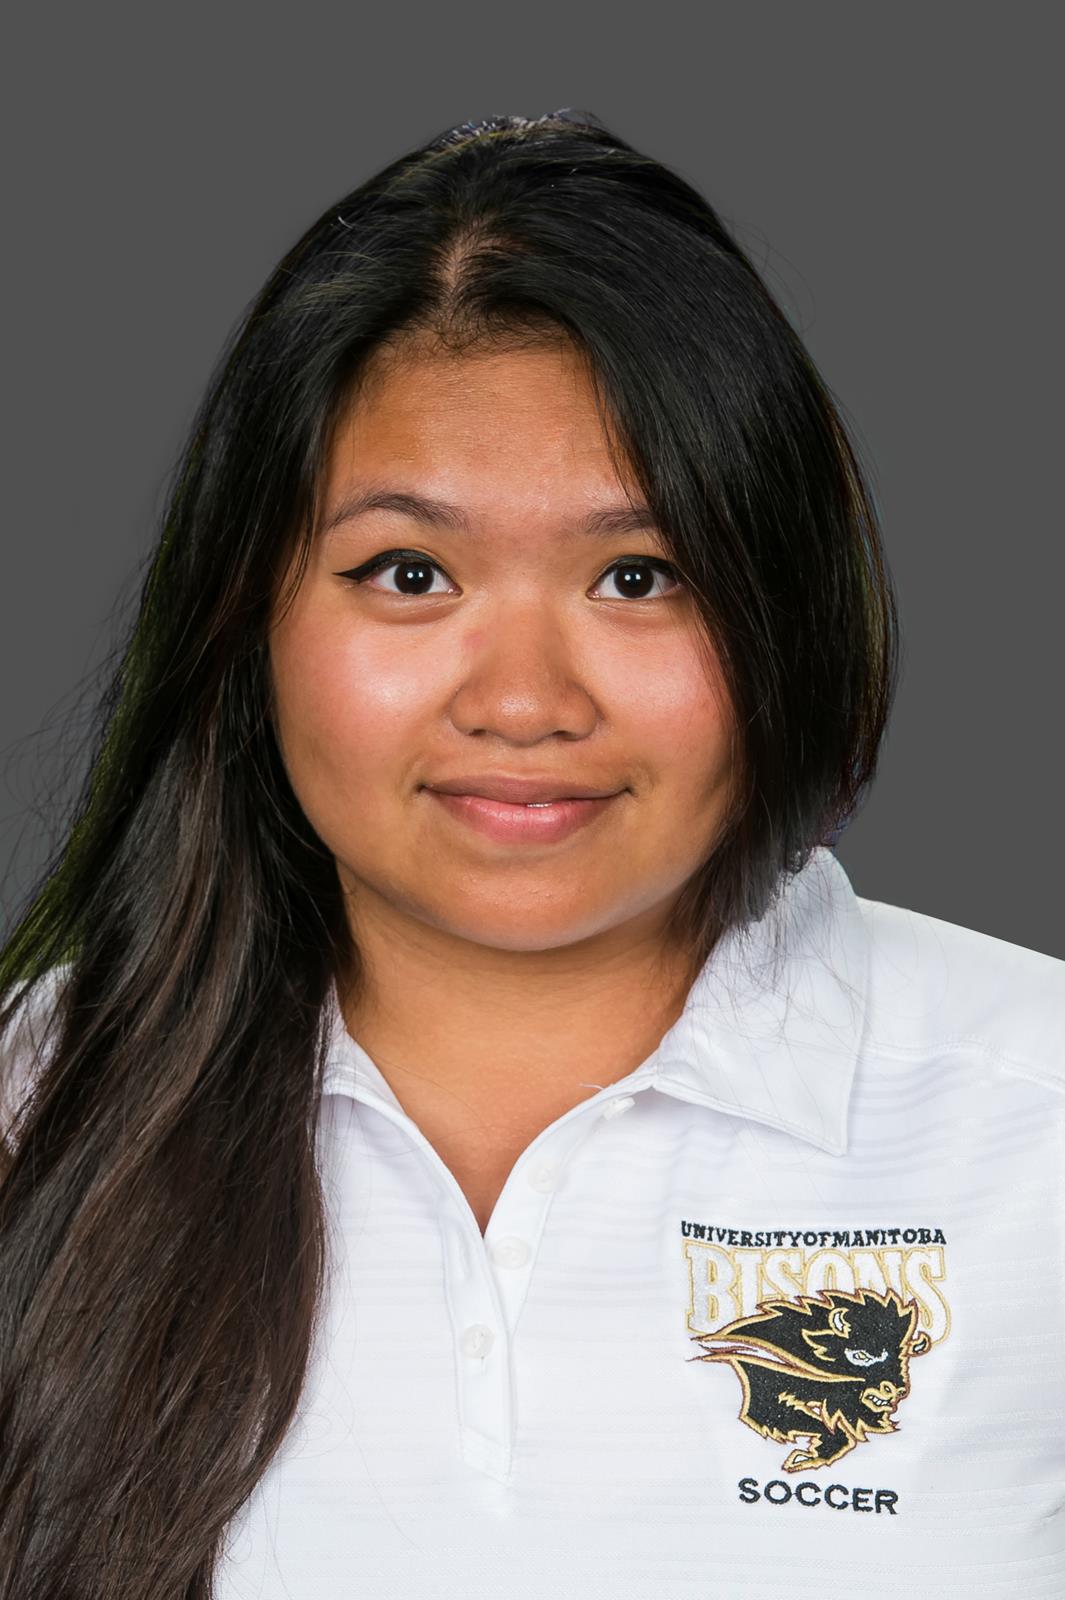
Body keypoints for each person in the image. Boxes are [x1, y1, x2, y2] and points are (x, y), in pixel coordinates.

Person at [0, 107, 1061, 1600]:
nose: (521, 701)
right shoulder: (33, 1119)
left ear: (785, 612)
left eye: (638, 576)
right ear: (247, 623)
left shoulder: (1036, 1122)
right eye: (408, 573)